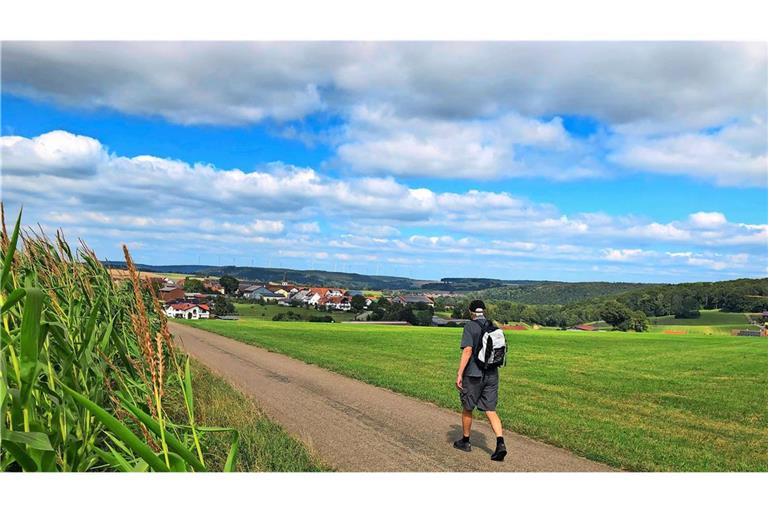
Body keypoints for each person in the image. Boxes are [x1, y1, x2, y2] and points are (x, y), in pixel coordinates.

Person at [453, 299, 507, 461]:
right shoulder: (493, 326)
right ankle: (500, 443)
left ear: (471, 312)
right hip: (492, 374)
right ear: (484, 311)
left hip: (473, 374)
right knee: (490, 410)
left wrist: (459, 373)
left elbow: (468, 350)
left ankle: (466, 441)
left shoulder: (470, 326)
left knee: (468, 407)